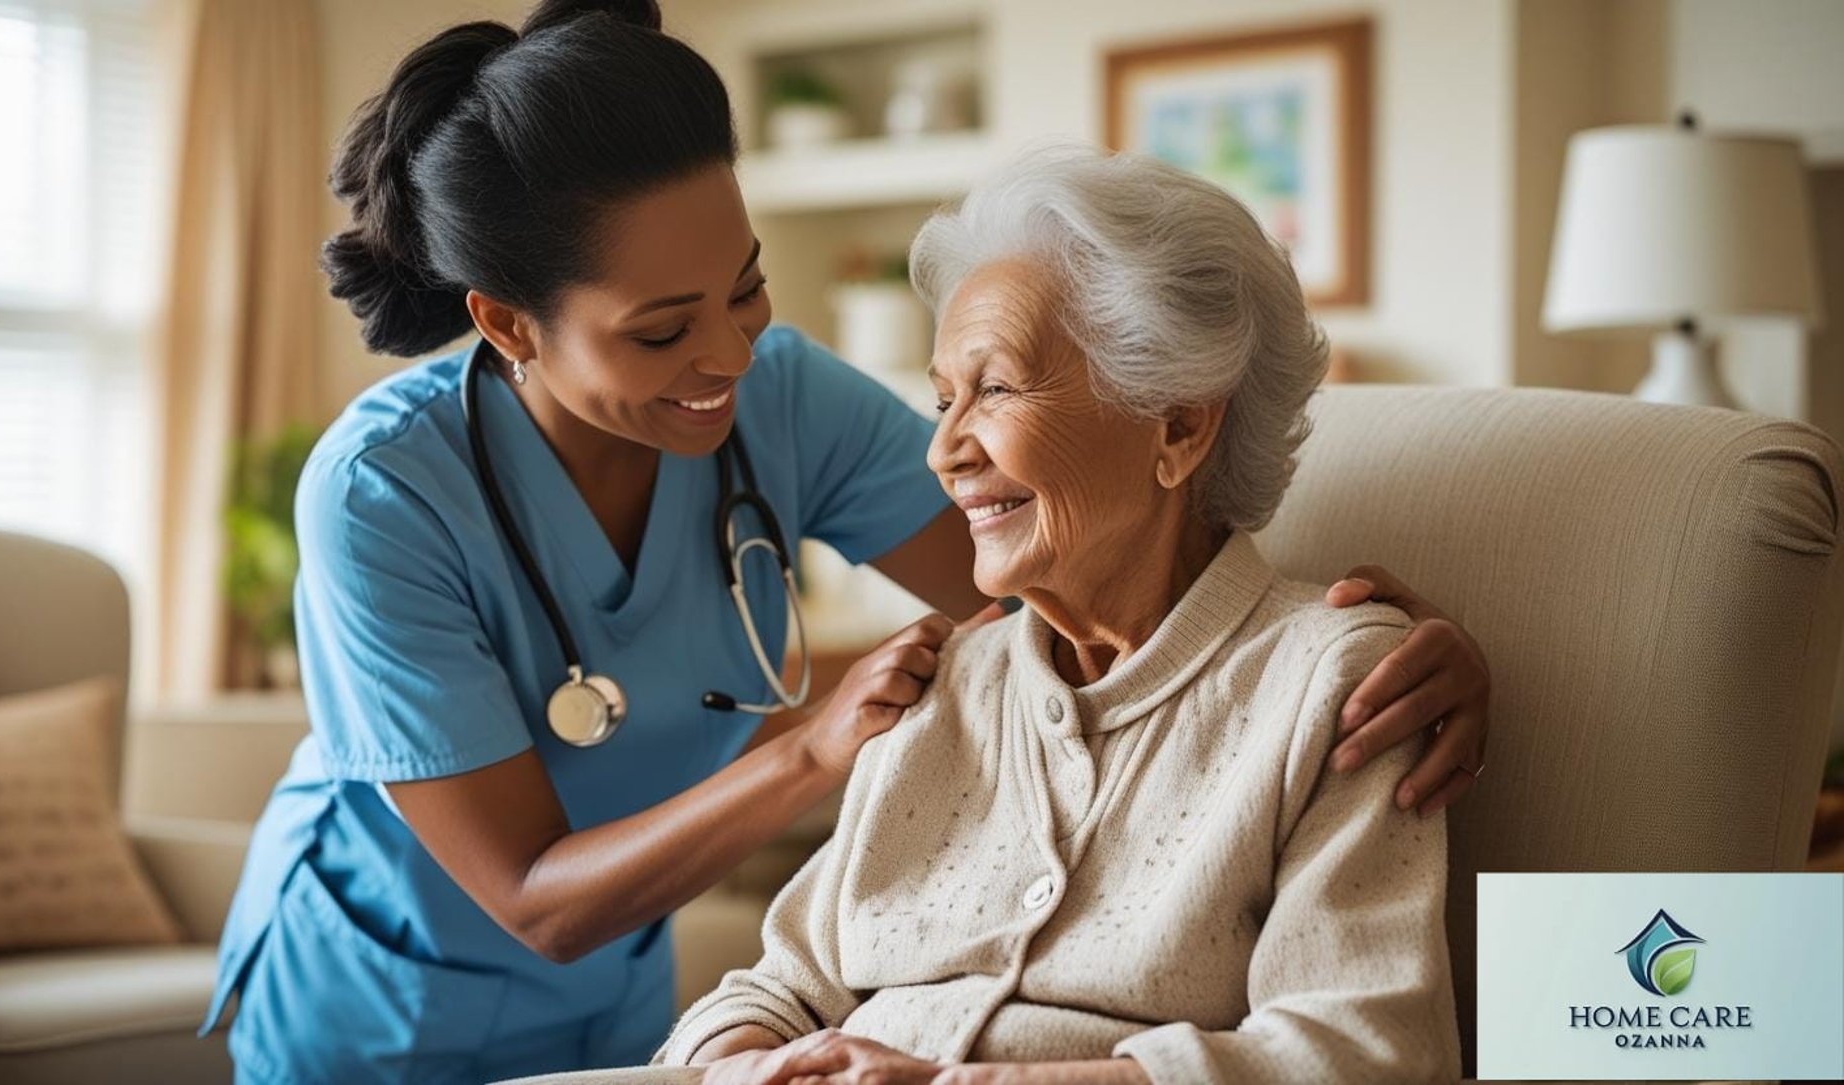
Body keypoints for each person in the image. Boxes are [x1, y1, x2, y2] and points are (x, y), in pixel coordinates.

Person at [198, 4, 1491, 1082]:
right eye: (662, 331)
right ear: (511, 324)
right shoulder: (383, 491)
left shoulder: (782, 395)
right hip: (380, 994)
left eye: (747, 287)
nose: (728, 357)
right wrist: (815, 751)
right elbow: (545, 898)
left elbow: (1084, 584)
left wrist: (1370, 643)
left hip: (628, 991)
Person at [655, 145, 1460, 1085]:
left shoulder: (1335, 685)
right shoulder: (943, 682)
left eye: (993, 390)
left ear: (1178, 426)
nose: (944, 451)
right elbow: (773, 988)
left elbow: (1364, 1054)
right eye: (942, 398)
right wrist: (745, 1066)